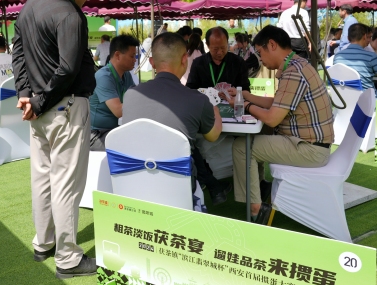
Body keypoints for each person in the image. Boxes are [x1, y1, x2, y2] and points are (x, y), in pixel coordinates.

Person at [12, 0, 99, 279]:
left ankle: (44, 242)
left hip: (40, 109)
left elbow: (18, 54)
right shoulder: (70, 14)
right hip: (64, 106)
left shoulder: (30, 6)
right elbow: (68, 68)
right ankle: (68, 258)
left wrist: (26, 95)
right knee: (65, 183)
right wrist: (39, 100)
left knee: (42, 178)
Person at [232, 26, 334, 224]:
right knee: (255, 136)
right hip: (312, 144)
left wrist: (245, 105)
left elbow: (272, 118)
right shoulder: (298, 64)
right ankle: (260, 187)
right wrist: (245, 95)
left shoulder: (293, 72)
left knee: (242, 147)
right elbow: (278, 103)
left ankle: (255, 208)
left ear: (272, 45)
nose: (260, 59)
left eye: (260, 53)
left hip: (310, 149)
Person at [121, 32, 222, 194]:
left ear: (152, 62)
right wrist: (214, 107)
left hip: (135, 186)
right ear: (184, 59)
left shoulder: (130, 95)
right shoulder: (198, 100)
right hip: (178, 189)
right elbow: (213, 135)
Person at [185, 26, 247, 205]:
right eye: (215, 49)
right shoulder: (199, 63)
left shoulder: (238, 62)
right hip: (208, 114)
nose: (219, 52)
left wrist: (237, 93)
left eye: (223, 48)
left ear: (228, 44)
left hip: (233, 112)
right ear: (207, 45)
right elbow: (191, 89)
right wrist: (206, 92)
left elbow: (246, 89)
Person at [89, 35, 139, 150]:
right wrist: (145, 103)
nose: (135, 60)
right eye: (132, 56)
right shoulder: (104, 76)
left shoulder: (126, 75)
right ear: (117, 55)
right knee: (133, 146)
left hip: (114, 131)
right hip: (96, 134)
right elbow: (118, 111)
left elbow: (134, 98)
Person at [334, 23, 377, 100]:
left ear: (348, 38)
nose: (370, 39)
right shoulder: (371, 56)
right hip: (369, 101)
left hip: (344, 100)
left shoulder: (337, 57)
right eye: (369, 37)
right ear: (365, 36)